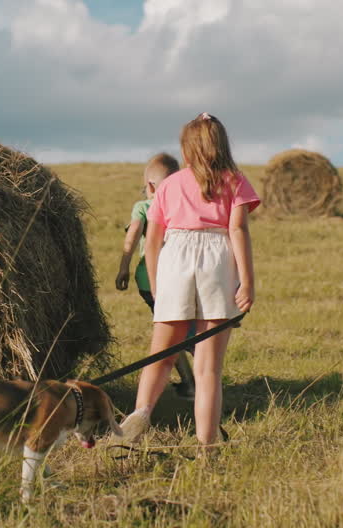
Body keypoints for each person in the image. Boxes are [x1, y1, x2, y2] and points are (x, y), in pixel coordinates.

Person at [119, 113, 259, 446]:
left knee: (161, 354)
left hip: (174, 261)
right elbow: (237, 229)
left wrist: (156, 284)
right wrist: (248, 282)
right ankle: (206, 444)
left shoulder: (168, 184)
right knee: (208, 368)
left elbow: (152, 242)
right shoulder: (234, 181)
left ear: (186, 148)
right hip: (217, 261)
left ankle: (139, 416)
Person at [115, 152, 196, 399]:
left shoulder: (143, 206)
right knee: (188, 325)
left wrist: (123, 267)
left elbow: (132, 237)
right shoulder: (183, 204)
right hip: (183, 276)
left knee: (169, 330)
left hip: (149, 282)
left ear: (150, 185)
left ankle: (190, 382)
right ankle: (201, 372)